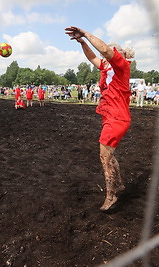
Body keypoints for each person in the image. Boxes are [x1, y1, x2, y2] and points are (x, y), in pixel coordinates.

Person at [65, 26, 135, 211]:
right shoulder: (107, 67)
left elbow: (103, 50)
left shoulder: (121, 66)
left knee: (104, 157)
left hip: (117, 118)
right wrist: (82, 43)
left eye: (108, 54)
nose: (103, 57)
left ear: (116, 55)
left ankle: (111, 196)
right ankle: (118, 184)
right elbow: (93, 57)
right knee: (109, 155)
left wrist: (86, 34)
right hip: (110, 116)